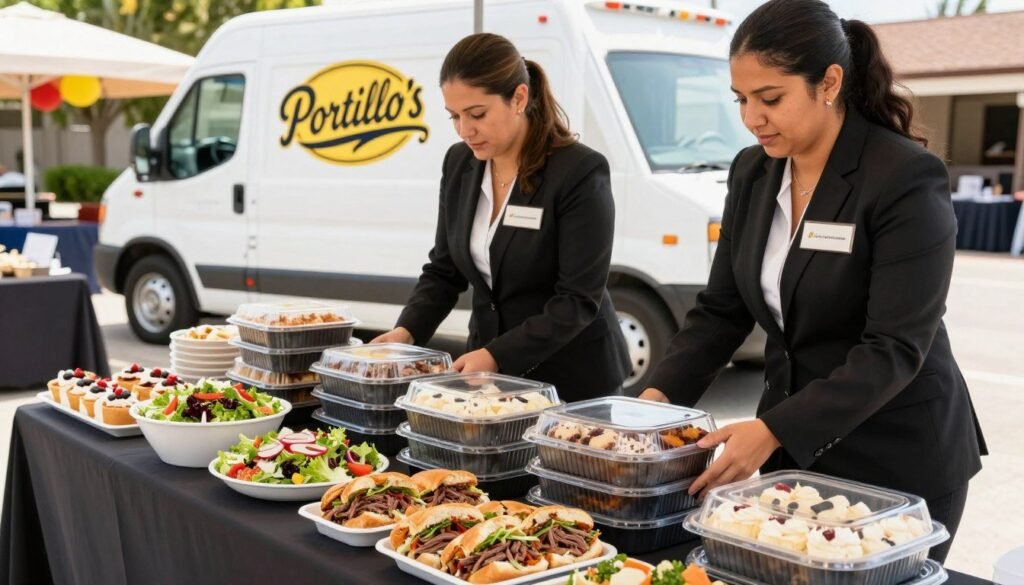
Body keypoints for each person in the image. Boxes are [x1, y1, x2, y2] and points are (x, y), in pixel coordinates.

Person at [638, 0, 985, 562]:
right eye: (742, 100)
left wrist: (772, 429)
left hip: (898, 455)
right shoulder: (752, 171)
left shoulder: (902, 177)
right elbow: (722, 311)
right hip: (796, 453)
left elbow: (895, 346)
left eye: (770, 98)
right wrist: (654, 406)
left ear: (829, 82)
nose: (752, 118)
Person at [373, 33, 630, 401]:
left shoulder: (579, 171)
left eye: (477, 114)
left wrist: (496, 355)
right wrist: (406, 332)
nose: (465, 130)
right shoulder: (459, 162)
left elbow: (577, 300)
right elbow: (445, 270)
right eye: (455, 117)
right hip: (489, 376)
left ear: (519, 98)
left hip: (573, 377)